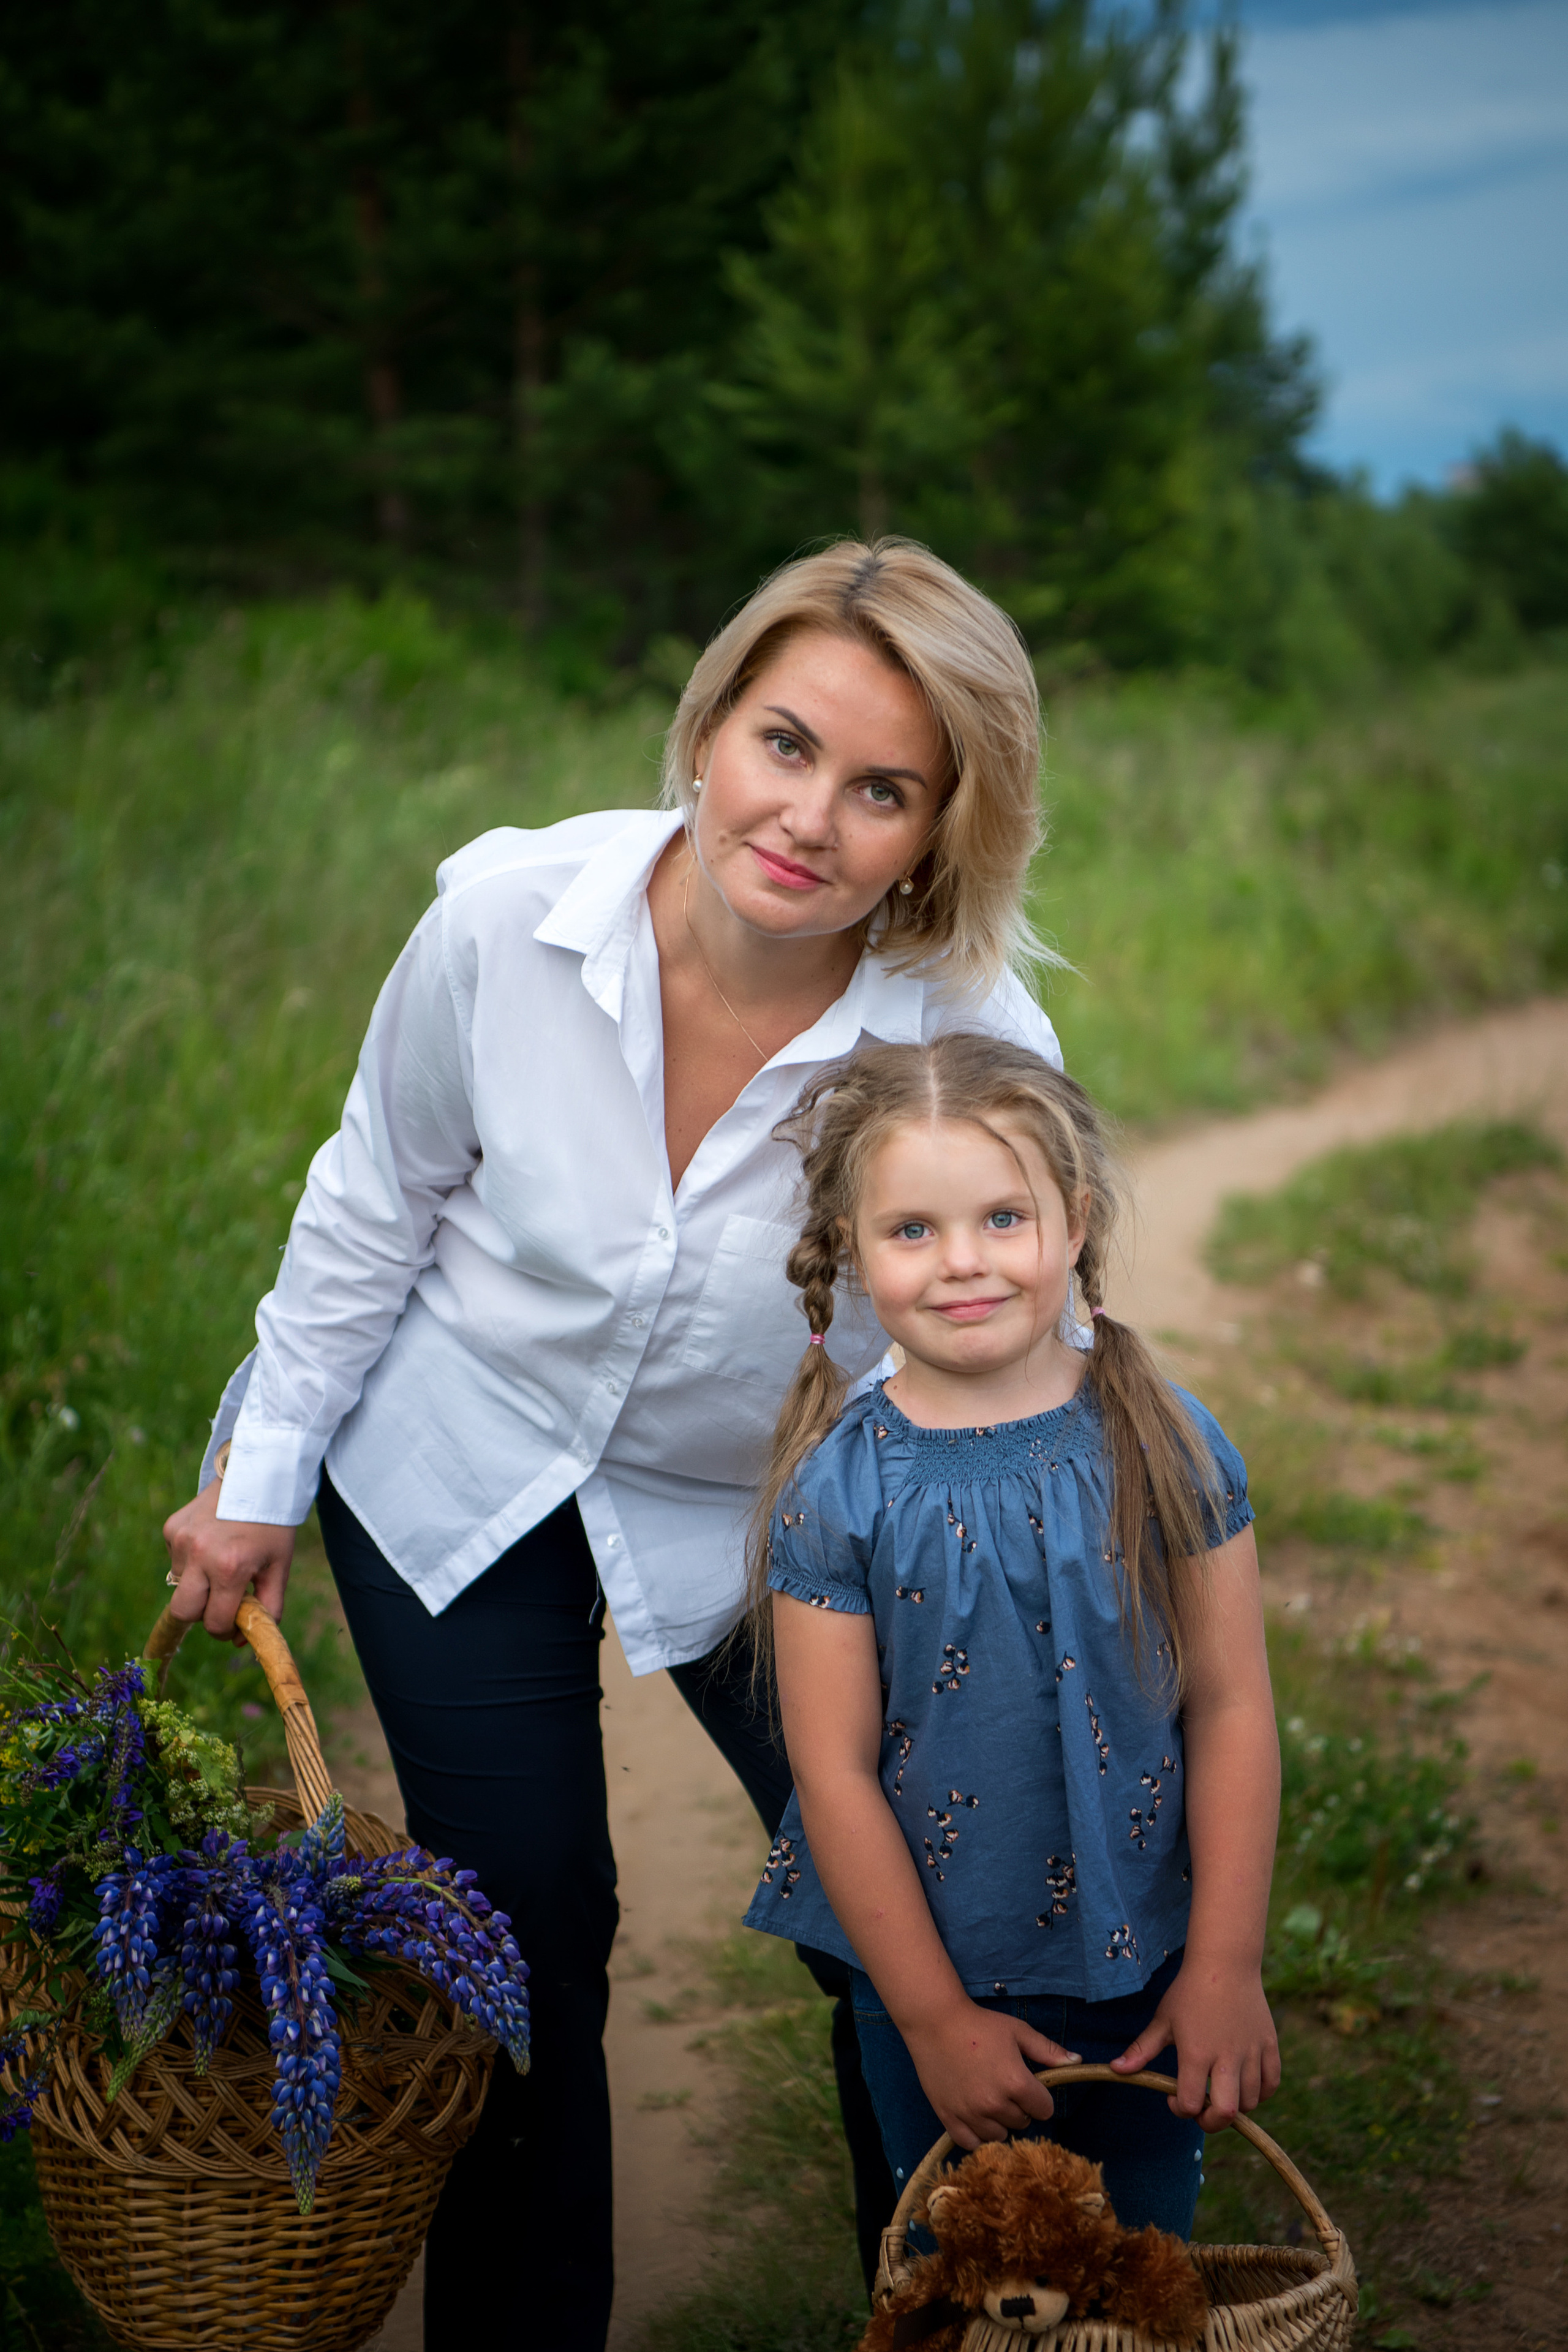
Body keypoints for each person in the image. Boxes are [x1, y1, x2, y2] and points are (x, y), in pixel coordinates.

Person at [160, 540, 1065, 2349]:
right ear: (712, 722)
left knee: (899, 1912)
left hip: (769, 1519)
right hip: (462, 1459)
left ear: (942, 831)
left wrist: (1042, 1621)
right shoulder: (506, 924)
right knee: (522, 1921)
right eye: (785, 743)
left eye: (882, 789)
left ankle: (947, 2311)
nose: (809, 818)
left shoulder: (964, 1041)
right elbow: (372, 1207)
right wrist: (257, 1482)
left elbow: (1034, 1342)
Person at [742, 1031, 1281, 2234]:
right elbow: (828, 1775)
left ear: (1073, 1222)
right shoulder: (839, 1490)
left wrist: (1223, 1966)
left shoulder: (1163, 1441)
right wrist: (931, 2019)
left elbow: (1230, 1705)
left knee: (1135, 2274)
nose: (962, 1265)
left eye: (1001, 1218)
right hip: (934, 1975)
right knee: (972, 2278)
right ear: (848, 1250)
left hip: (1150, 1963)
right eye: (912, 1230)